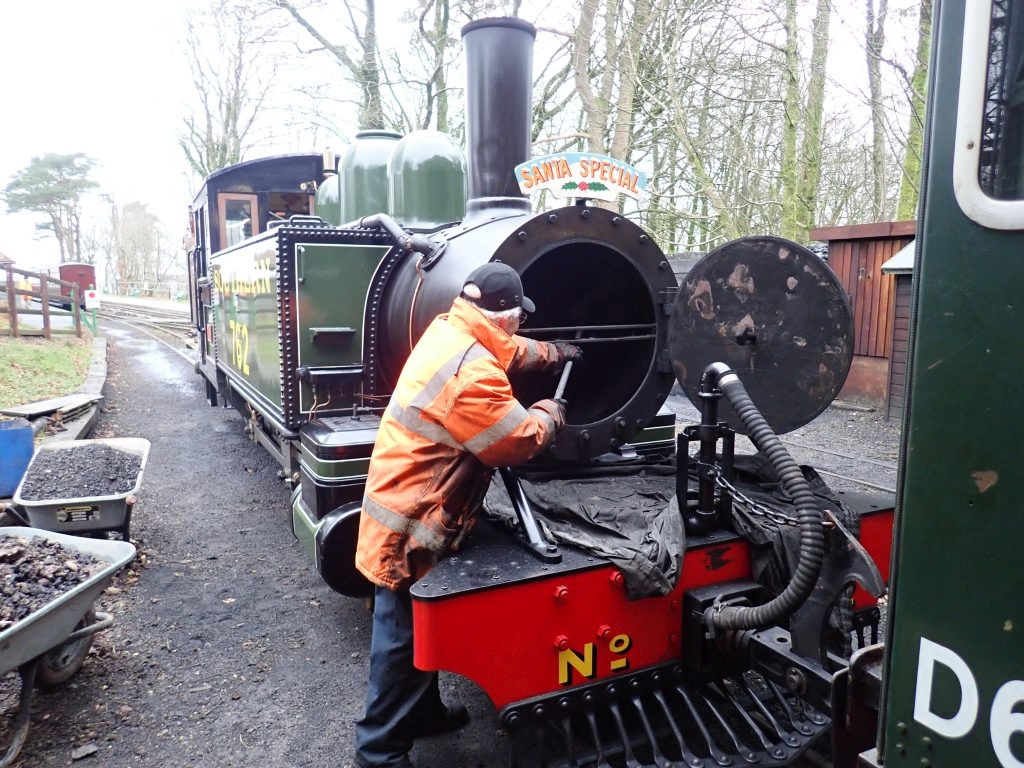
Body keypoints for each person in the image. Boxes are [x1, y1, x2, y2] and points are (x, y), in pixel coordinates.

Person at [353, 262, 582, 768]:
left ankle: (423, 713)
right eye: (520, 317)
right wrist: (550, 411)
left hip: (411, 499)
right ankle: (378, 752)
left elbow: (511, 349)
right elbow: (517, 440)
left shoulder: (452, 328)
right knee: (401, 637)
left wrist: (555, 352)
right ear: (503, 316)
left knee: (419, 628)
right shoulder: (472, 373)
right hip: (409, 522)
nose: (520, 326)